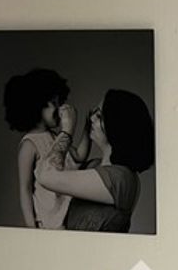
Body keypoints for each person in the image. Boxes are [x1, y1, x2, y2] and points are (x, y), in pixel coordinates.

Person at [36, 89, 154, 233]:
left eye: (99, 116)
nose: (91, 118)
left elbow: (45, 175)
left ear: (116, 126)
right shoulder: (94, 166)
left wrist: (66, 131)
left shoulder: (121, 178)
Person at [3, 69, 92, 229]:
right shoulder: (29, 144)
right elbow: (25, 189)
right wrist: (31, 227)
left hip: (68, 215)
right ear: (36, 105)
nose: (60, 109)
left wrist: (86, 130)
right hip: (49, 221)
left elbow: (79, 156)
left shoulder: (56, 137)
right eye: (54, 103)